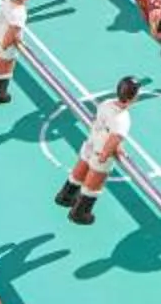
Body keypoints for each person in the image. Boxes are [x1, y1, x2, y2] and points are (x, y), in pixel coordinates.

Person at [55, 75, 140, 226]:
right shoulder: (123, 119)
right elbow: (114, 138)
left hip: (92, 140)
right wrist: (105, 156)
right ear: (132, 97)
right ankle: (80, 212)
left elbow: (100, 121)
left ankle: (66, 196)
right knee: (95, 180)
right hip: (102, 149)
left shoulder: (107, 103)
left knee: (82, 166)